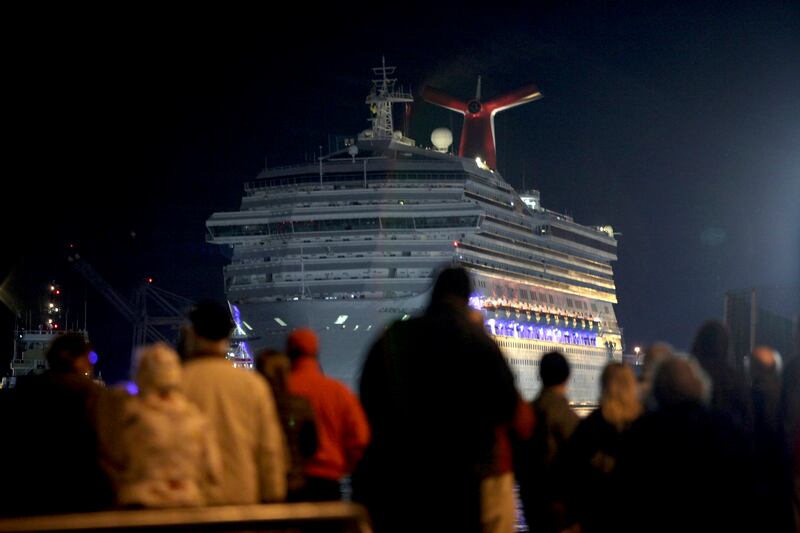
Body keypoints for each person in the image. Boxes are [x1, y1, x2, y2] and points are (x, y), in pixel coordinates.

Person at [354, 266, 518, 533]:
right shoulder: (479, 343)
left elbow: (367, 398)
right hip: (461, 483)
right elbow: (506, 406)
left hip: (399, 480)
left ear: (434, 292)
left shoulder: (395, 334)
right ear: (466, 298)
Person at [181, 300, 287, 504]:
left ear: (192, 334)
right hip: (242, 498)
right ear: (227, 335)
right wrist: (274, 497)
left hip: (192, 501)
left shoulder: (180, 383)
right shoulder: (253, 385)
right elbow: (270, 450)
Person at [0, 332, 113, 516]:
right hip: (83, 494)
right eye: (90, 357)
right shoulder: (95, 396)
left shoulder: (24, 391)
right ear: (78, 359)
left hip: (28, 496)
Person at [112, 343, 222, 508]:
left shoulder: (130, 415)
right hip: (187, 502)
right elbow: (214, 471)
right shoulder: (196, 418)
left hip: (141, 504)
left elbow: (115, 460)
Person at [284, 328, 369, 501]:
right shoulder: (338, 391)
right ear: (316, 353)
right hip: (328, 480)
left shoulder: (276, 391)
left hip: (288, 482)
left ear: (288, 353)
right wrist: (343, 467)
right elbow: (360, 438)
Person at [563, 362, 641, 532]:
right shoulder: (647, 425)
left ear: (603, 385)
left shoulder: (589, 426)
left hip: (596, 518)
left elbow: (570, 474)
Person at [515, 351, 580, 533]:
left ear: (539, 375)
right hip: (562, 512)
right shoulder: (569, 418)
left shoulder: (527, 414)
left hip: (532, 507)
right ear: (567, 377)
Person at [255, 348, 318, 498]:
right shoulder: (302, 404)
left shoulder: (252, 406)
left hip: (261, 486)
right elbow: (311, 446)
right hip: (298, 483)